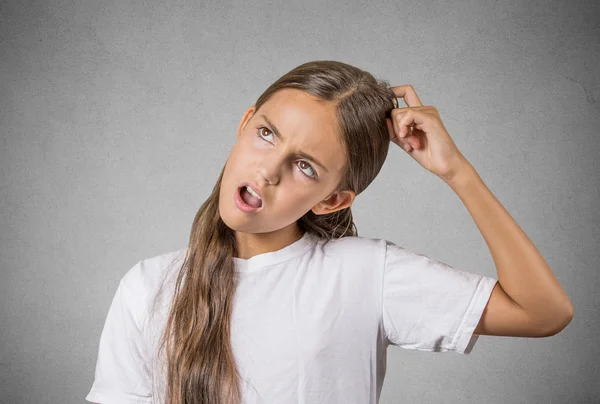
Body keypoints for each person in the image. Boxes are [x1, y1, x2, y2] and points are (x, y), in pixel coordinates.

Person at [85, 60, 574, 404]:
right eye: (267, 133)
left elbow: (544, 312)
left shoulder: (365, 274)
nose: (268, 171)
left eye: (304, 165)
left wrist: (457, 173)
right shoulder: (147, 287)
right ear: (244, 125)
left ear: (333, 199)